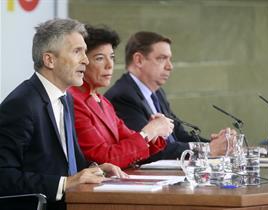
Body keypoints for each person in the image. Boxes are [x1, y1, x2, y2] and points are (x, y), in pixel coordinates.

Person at [0, 18, 127, 210]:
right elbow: (4, 177)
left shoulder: (65, 98)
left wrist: (95, 169)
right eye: (77, 51)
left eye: (85, 51)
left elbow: (65, 163)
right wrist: (65, 184)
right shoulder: (21, 104)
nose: (85, 60)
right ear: (50, 60)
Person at [105, 31, 229, 161]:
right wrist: (208, 150)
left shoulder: (157, 93)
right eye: (162, 58)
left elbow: (180, 135)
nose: (170, 66)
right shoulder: (123, 97)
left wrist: (215, 144)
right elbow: (149, 149)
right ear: (139, 60)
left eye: (169, 59)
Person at [68, 25, 173, 169]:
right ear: (82, 61)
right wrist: (149, 131)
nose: (109, 65)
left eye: (111, 57)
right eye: (99, 58)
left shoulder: (103, 101)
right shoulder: (74, 101)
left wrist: (153, 132)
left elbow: (131, 143)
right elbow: (104, 159)